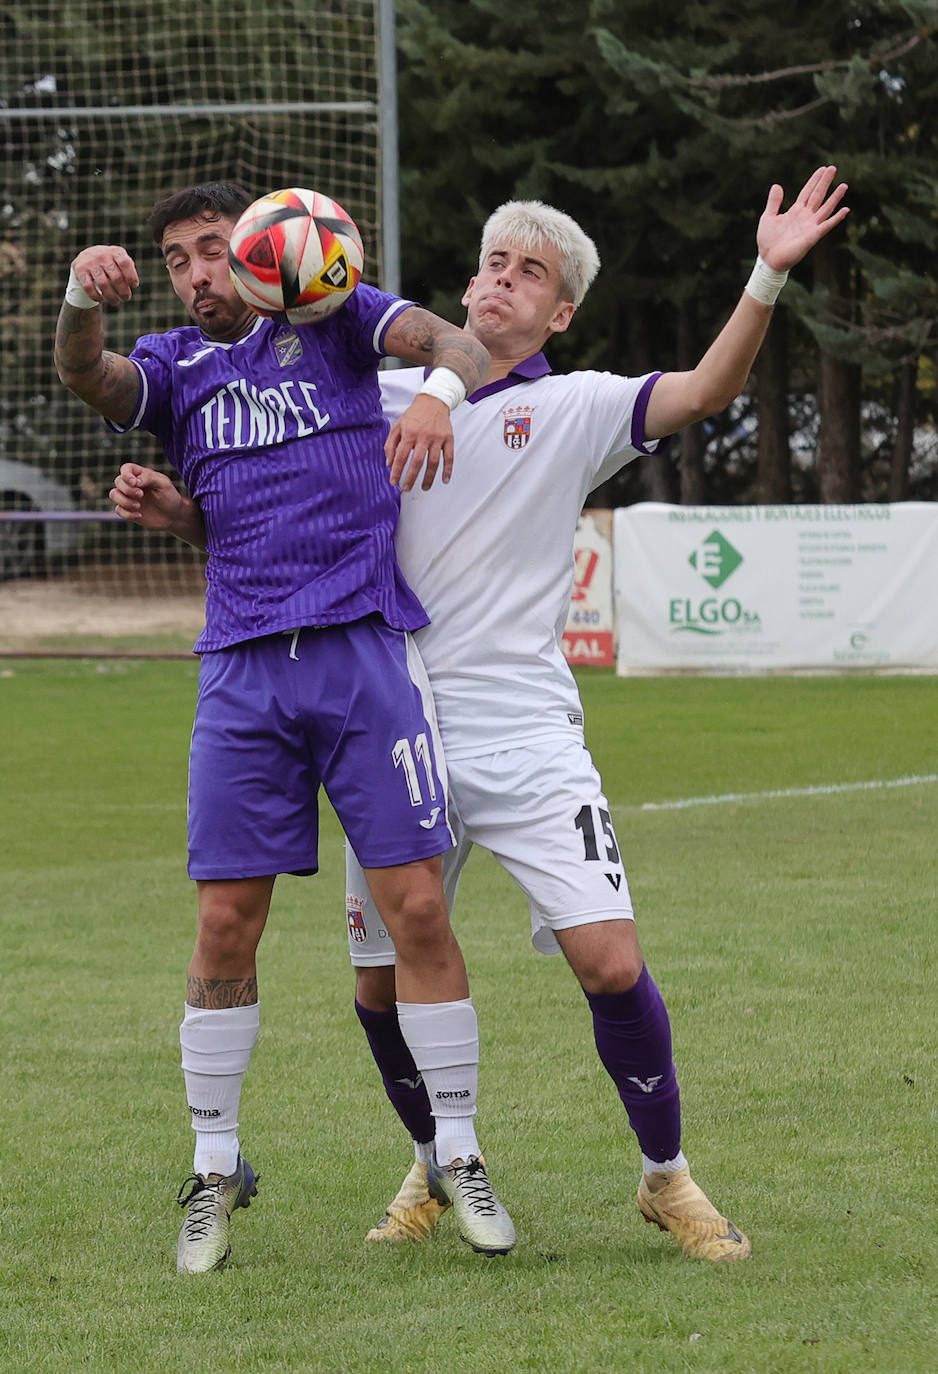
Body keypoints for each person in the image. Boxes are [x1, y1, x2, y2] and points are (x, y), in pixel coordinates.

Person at [343, 165, 849, 1262]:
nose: (501, 282)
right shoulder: (383, 395)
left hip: (525, 734)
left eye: (529, 273)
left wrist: (766, 273)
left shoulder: (569, 410)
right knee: (378, 985)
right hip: (388, 732)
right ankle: (436, 1163)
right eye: (491, 262)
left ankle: (665, 1178)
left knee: (612, 962)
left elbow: (705, 392)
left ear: (559, 311)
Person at [55, 180, 518, 1273]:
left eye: (212, 250)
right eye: (177, 259)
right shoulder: (177, 367)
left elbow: (457, 340)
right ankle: (215, 1169)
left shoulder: (337, 317)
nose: (197, 273)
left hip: (362, 651)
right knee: (224, 929)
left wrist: (434, 397)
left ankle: (456, 1153)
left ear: (264, 248)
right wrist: (81, 294)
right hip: (243, 674)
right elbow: (85, 371)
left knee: (414, 908)